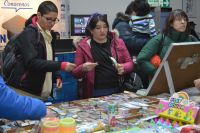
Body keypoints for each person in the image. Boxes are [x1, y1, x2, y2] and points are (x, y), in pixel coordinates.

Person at [4, 1, 76, 99]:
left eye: (55, 20)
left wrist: (56, 76)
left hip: (39, 94)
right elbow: (32, 62)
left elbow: (47, 60)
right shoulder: (29, 33)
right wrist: (61, 65)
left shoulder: (48, 35)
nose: (52, 23)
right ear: (39, 15)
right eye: (48, 19)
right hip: (24, 92)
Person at [72, 13, 134, 98]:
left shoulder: (118, 42)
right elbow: (75, 72)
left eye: (105, 27)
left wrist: (123, 67)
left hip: (117, 90)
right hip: (94, 92)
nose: (102, 30)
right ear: (91, 30)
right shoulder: (83, 46)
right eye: (98, 28)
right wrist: (83, 68)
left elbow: (130, 63)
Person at [137, 9, 199, 80]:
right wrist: (157, 73)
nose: (183, 22)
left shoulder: (191, 39)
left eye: (185, 20)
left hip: (187, 81)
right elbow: (141, 59)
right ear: (171, 23)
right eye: (179, 20)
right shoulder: (160, 39)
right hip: (164, 83)